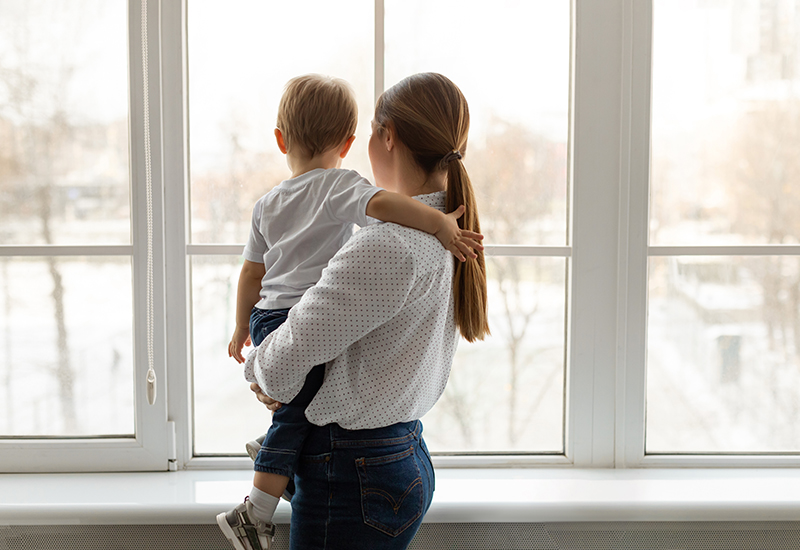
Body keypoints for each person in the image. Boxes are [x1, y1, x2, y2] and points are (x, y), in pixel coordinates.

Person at [217, 73, 484, 550]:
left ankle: (265, 478)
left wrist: (258, 368)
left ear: (388, 137)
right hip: (399, 455)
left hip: (353, 472)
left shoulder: (387, 245)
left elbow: (278, 373)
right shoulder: (446, 231)